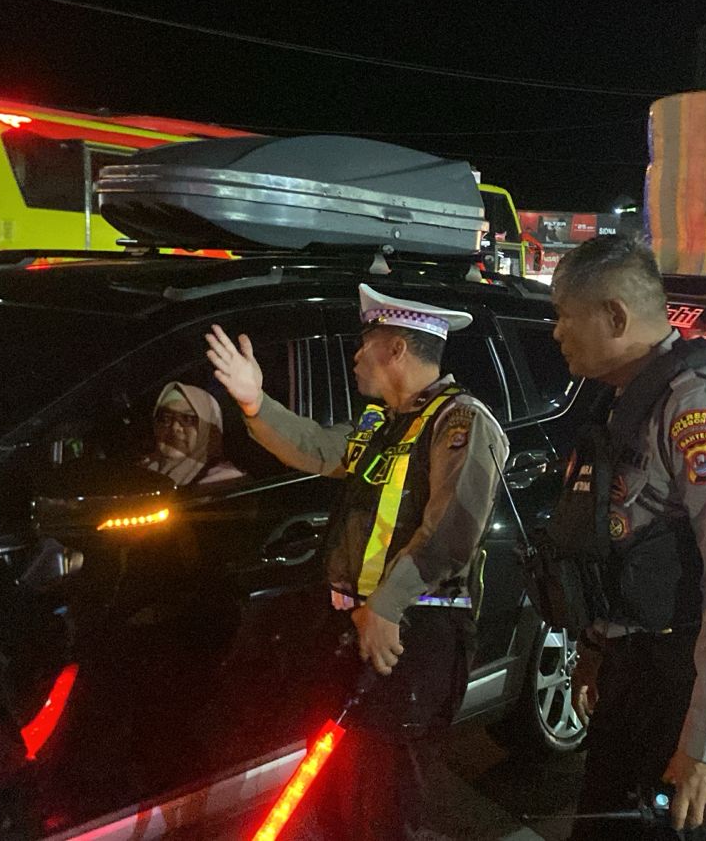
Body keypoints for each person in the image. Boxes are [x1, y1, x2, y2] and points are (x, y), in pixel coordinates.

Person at [205, 283, 509, 841]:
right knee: (341, 794)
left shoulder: (461, 423)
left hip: (410, 637)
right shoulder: (385, 422)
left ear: (396, 348)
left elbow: (451, 535)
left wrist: (386, 608)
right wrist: (255, 403)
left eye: (365, 342)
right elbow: (320, 449)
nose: (355, 354)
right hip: (359, 629)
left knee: (386, 803)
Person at [549, 236, 706, 839]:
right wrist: (597, 650)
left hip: (688, 686)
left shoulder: (700, 405)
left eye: (565, 316)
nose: (556, 332)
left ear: (615, 316)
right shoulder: (627, 400)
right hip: (636, 677)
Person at [139, 381, 245, 485]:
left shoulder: (225, 482)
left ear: (208, 429)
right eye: (165, 418)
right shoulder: (142, 473)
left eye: (187, 419)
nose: (175, 427)